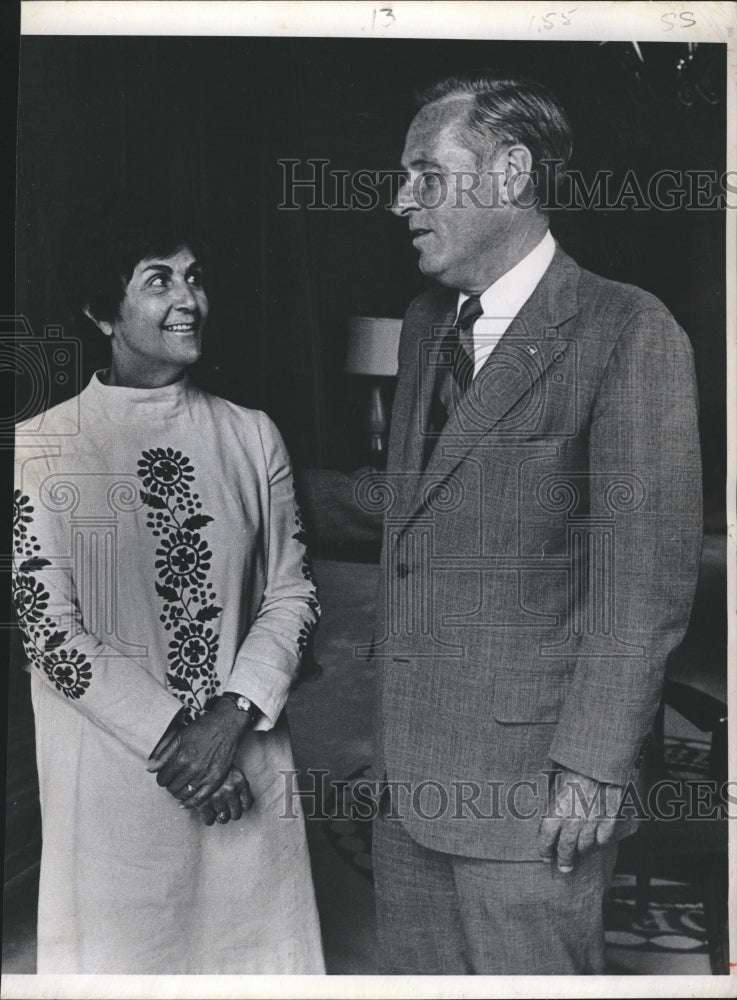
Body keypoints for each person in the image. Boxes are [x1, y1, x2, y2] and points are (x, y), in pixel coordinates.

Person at [369, 72, 702, 974]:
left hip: (537, 794)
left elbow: (644, 581)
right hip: (410, 781)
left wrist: (594, 767)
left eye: (425, 174)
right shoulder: (424, 323)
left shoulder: (626, 328)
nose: (401, 199)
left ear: (510, 172)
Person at [12, 192, 325, 974]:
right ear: (101, 310)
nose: (189, 299)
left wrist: (230, 718)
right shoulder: (39, 449)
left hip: (244, 757)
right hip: (116, 781)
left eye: (194, 277)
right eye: (158, 280)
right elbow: (51, 635)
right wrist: (179, 744)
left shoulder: (252, 434)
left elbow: (293, 590)